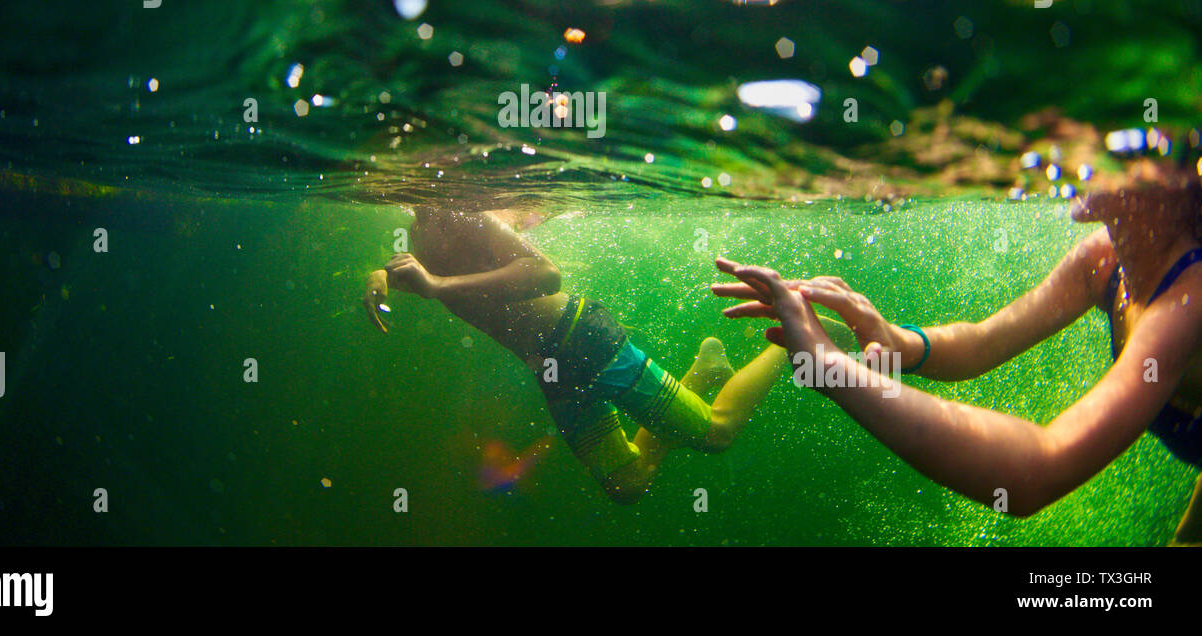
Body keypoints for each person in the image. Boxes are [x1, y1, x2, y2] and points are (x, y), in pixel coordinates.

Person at [713, 145, 1202, 543]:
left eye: (1113, 134)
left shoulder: (1189, 302)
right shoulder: (1103, 262)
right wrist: (898, 342)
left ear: (1177, 175)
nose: (1078, 150)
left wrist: (832, 368)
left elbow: (1039, 470)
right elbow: (984, 342)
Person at [363, 204, 790, 503]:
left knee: (716, 434)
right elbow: (414, 268)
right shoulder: (421, 228)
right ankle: (704, 369)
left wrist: (436, 285)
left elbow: (546, 274)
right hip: (550, 371)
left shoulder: (468, 214)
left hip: (584, 339)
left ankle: (791, 342)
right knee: (627, 484)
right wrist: (380, 274)